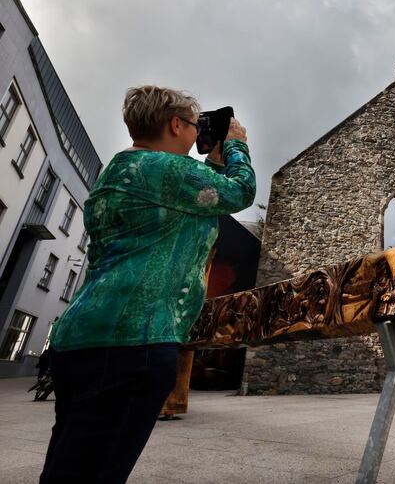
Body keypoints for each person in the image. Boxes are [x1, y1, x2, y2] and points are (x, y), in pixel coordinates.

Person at [40, 86, 256, 483]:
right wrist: (238, 147)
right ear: (175, 124)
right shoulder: (167, 171)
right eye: (192, 126)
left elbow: (203, 194)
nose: (196, 135)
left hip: (82, 338)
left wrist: (213, 165)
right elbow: (241, 192)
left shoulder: (121, 171)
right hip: (132, 343)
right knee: (97, 471)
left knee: (70, 464)